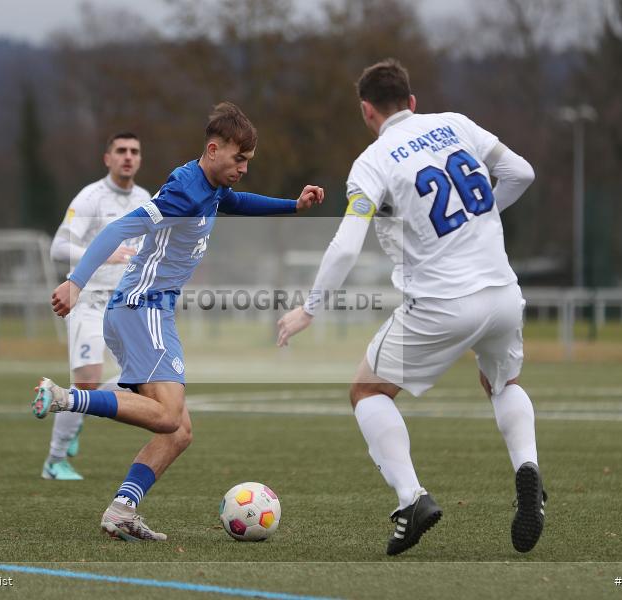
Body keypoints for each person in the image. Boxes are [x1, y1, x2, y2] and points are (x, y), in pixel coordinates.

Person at [276, 59, 545, 556]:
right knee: (503, 384)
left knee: (367, 391)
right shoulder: (454, 124)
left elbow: (344, 246)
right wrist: (475, 215)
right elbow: (520, 172)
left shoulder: (372, 162)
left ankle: (411, 498)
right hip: (503, 293)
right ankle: (527, 469)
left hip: (442, 303)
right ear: (412, 101)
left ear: (366, 111)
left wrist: (310, 309)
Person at [32, 102, 324, 541]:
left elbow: (238, 202)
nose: (243, 168)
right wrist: (75, 282)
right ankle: (66, 398)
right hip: (140, 306)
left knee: (180, 430)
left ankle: (121, 509)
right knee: (169, 417)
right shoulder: (184, 191)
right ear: (213, 149)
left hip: (149, 310)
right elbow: (118, 230)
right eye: (239, 159)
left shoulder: (212, 186)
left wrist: (293, 206)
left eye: (248, 160)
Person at [40, 132, 151, 481]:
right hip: (87, 301)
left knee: (140, 381)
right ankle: (55, 461)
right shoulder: (90, 197)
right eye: (121, 151)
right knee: (86, 379)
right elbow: (59, 247)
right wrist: (100, 253)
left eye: (134, 151)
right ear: (107, 158)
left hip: (126, 306)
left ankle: (80, 410)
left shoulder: (146, 198)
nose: (128, 157)